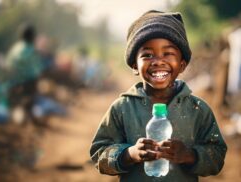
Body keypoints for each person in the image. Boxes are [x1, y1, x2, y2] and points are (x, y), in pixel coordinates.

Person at [90, 10, 227, 182]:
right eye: (147, 55)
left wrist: (190, 155)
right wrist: (129, 154)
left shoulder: (197, 109)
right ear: (134, 65)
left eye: (168, 53)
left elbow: (217, 156)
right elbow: (99, 153)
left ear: (182, 64)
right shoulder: (122, 108)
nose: (157, 61)